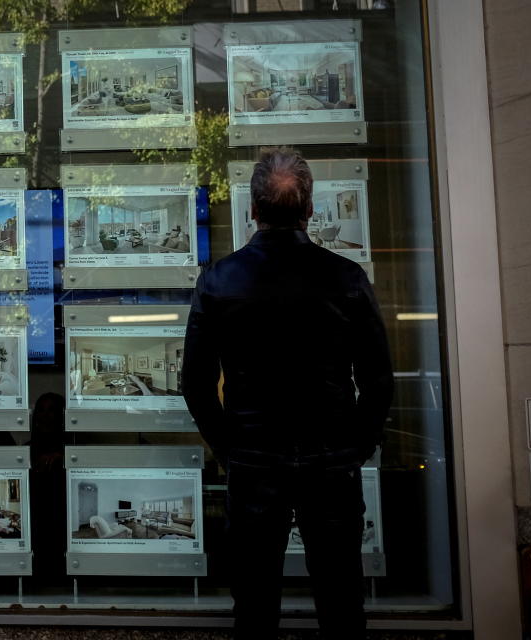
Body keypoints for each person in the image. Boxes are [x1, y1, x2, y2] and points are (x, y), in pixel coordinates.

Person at [182, 147, 393, 639]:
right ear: (310, 210)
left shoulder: (217, 281)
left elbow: (194, 383)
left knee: (254, 606)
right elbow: (379, 378)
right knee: (342, 601)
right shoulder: (347, 278)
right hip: (331, 460)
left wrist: (229, 450)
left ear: (252, 210)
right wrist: (355, 448)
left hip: (254, 457)